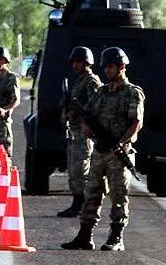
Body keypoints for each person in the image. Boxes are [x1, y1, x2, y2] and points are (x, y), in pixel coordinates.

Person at [61, 47, 145, 251]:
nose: (107, 70)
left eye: (111, 66)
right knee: (92, 192)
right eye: (105, 66)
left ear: (122, 67)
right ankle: (85, 236)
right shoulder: (101, 91)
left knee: (119, 195)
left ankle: (116, 237)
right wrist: (87, 129)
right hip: (100, 150)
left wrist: (121, 142)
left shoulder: (133, 92)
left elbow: (136, 122)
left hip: (118, 153)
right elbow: (86, 114)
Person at [57, 47, 102, 218]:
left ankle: (82, 204)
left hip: (85, 131)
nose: (76, 65)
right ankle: (76, 202)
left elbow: (95, 105)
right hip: (75, 130)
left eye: (80, 62)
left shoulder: (91, 81)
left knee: (81, 168)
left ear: (87, 63)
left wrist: (80, 116)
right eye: (74, 62)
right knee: (73, 168)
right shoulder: (79, 81)